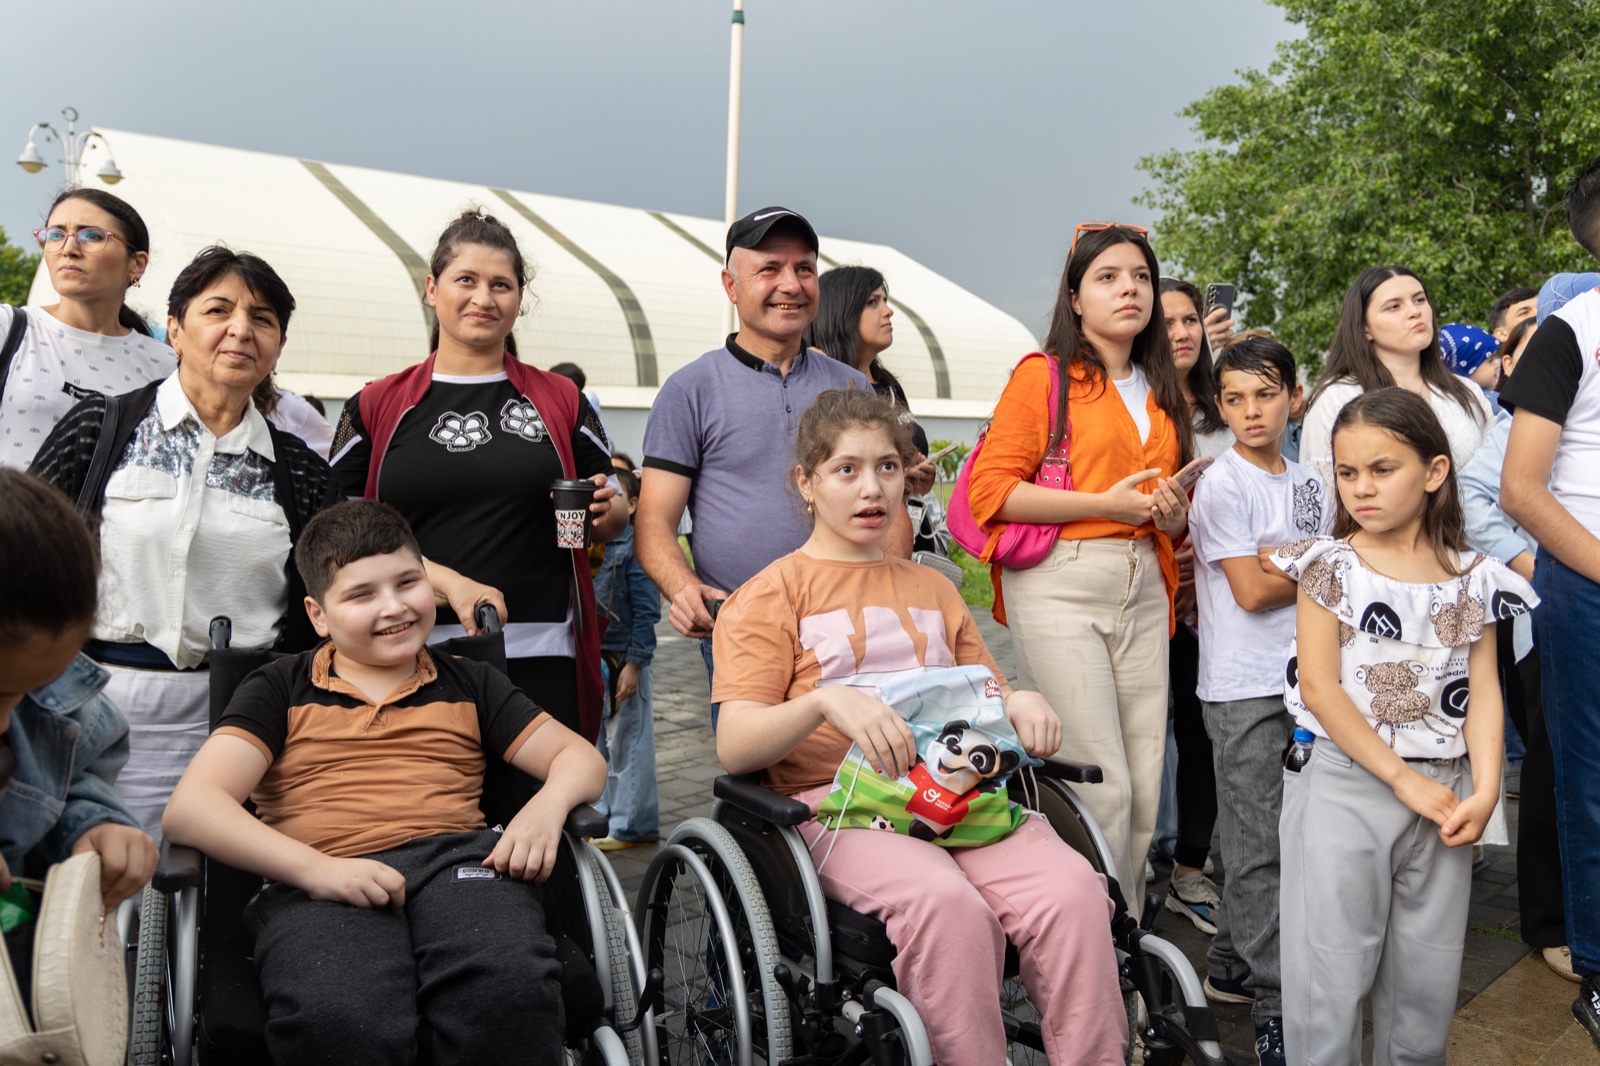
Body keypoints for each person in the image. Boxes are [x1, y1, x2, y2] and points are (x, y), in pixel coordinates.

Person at [713, 388, 1125, 1065]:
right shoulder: (770, 595)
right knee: (946, 905)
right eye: (846, 469)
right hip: (840, 808)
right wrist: (824, 703)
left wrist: (1020, 703)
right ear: (806, 482)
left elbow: (988, 691)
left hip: (956, 797)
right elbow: (736, 741)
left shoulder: (933, 589)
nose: (871, 487)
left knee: (1074, 890)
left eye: (887, 468)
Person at [162, 500, 606, 1065]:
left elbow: (580, 758)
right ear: (318, 616)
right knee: (342, 1018)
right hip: (318, 877)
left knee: (508, 989)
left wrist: (545, 808)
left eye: (408, 583)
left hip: (460, 864)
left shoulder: (469, 682)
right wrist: (318, 871)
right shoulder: (279, 689)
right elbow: (192, 808)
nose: (394, 607)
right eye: (361, 594)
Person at [28, 247, 340, 839]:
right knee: (98, 892)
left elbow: (340, 583)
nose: (240, 330)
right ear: (174, 328)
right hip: (94, 707)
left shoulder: (300, 470)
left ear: (277, 345)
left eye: (264, 319)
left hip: (244, 722)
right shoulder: (100, 429)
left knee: (217, 907)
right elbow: (24, 556)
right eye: (217, 310)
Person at [1275, 388, 1533, 1065]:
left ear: (1435, 471)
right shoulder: (1328, 566)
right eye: (1348, 472)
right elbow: (1321, 688)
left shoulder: (1472, 576)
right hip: (1345, 786)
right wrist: (1399, 780)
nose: (1361, 488)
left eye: (1382, 469)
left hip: (1445, 795)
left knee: (1426, 986)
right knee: (1328, 984)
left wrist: (1483, 790)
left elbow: (1482, 691)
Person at [332, 210, 626, 744]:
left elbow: (606, 498)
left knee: (544, 815)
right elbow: (338, 535)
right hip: (408, 650)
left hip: (544, 653)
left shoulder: (562, 401)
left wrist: (614, 510)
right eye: (465, 279)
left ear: (520, 298)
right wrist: (448, 583)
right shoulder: (375, 404)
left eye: (502, 285)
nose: (483, 298)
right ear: (431, 288)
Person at [965, 223, 1191, 907]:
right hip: (1063, 582)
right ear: (1075, 296)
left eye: (1141, 277)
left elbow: (1154, 500)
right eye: (1108, 276)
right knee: (1103, 781)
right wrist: (1106, 506)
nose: (1130, 288)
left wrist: (1172, 516)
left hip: (1145, 581)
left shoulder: (1158, 387)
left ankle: (1123, 930)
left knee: (1147, 781)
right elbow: (990, 492)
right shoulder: (1046, 377)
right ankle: (1090, 941)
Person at [636, 207, 872, 717]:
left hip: (848, 625)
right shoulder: (691, 391)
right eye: (769, 269)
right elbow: (654, 521)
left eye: (804, 269)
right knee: (758, 779)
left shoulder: (853, 386)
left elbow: (886, 511)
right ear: (731, 284)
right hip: (742, 630)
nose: (790, 283)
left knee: (861, 776)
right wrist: (684, 587)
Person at [1186, 336, 1331, 1064]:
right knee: (1260, 847)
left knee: (1254, 831)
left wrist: (1294, 560)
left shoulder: (1311, 483)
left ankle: (1231, 966)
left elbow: (1332, 563)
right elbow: (1249, 589)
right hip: (1242, 683)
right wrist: (1306, 562)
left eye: (1266, 394)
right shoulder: (1222, 485)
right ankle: (1278, 1000)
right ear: (1219, 406)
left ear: (1293, 398)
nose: (1250, 410)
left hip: (1306, 678)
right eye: (1235, 398)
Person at [1500, 151, 1600, 1049]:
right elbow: (1521, 489)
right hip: (1586, 585)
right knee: (1588, 778)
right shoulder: (1571, 332)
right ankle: (1596, 963)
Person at [0, 470, 158, 1004]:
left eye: (33, 688)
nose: (8, 720)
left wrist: (96, 822)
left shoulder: (66, 698)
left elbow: (79, 771)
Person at [1459, 314, 1576, 981]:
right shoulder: (1520, 420)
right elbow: (1478, 500)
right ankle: (1550, 924)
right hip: (1551, 615)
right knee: (1554, 773)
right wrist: (1540, 570)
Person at [1, 189, 173, 470]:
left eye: (91, 235)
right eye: (55, 234)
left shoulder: (164, 367)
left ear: (137, 264)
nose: (68, 248)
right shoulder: (10, 329)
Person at [1155, 277, 1229, 932]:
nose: (1181, 331)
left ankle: (1189, 868)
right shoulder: (1131, 406)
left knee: (1199, 734)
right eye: (1167, 319)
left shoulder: (1222, 409)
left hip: (1210, 600)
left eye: (1189, 320)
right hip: (1140, 594)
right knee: (1138, 732)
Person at [1300, 266, 1491, 490]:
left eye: (1419, 300)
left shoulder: (1466, 391)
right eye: (1394, 306)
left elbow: (1495, 476)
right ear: (1365, 328)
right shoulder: (1337, 398)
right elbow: (1325, 495)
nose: (1414, 311)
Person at [803, 265, 938, 499]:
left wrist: (920, 480)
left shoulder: (889, 386)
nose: (888, 311)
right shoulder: (823, 388)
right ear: (841, 313)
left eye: (885, 300)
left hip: (910, 528)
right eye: (873, 302)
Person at [592, 467, 661, 850]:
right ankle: (605, 819)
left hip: (625, 659)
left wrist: (635, 664)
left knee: (628, 742)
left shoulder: (637, 548)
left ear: (633, 504)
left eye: (615, 494)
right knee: (601, 743)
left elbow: (648, 610)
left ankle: (632, 825)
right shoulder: (591, 546)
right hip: (598, 658)